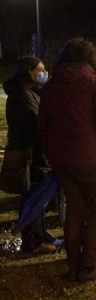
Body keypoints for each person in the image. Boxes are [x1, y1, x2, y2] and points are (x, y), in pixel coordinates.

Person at [38, 38, 96, 281]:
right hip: (93, 158)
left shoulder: (52, 85)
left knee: (75, 210)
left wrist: (52, 153)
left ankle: (74, 265)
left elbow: (43, 124)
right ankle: (88, 266)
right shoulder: (95, 83)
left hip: (63, 159)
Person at [3, 57, 57, 252]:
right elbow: (34, 122)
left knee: (38, 195)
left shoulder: (31, 92)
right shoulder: (22, 94)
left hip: (36, 151)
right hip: (31, 153)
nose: (44, 73)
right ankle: (32, 240)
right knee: (34, 194)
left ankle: (40, 235)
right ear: (28, 71)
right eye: (39, 69)